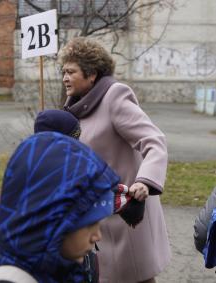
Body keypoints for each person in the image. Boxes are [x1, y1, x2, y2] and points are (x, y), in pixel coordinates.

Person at [60, 37, 170, 283]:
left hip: (125, 216)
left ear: (92, 74)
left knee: (135, 278)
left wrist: (145, 181)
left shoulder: (114, 97)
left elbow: (154, 140)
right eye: (63, 72)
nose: (65, 78)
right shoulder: (71, 110)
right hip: (95, 219)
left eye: (71, 72)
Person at [0, 132, 120, 283]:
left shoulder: (50, 268)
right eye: (89, 223)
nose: (97, 236)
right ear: (51, 218)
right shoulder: (10, 278)